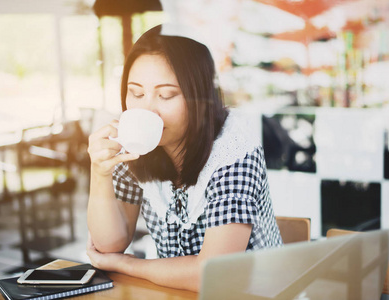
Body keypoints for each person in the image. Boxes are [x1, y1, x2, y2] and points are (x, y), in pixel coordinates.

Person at [86, 24, 282, 292]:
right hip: (177, 292)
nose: (147, 110)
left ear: (199, 98)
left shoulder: (234, 149)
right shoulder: (134, 142)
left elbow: (214, 273)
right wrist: (100, 172)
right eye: (136, 93)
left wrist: (127, 264)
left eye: (166, 95)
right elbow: (110, 245)